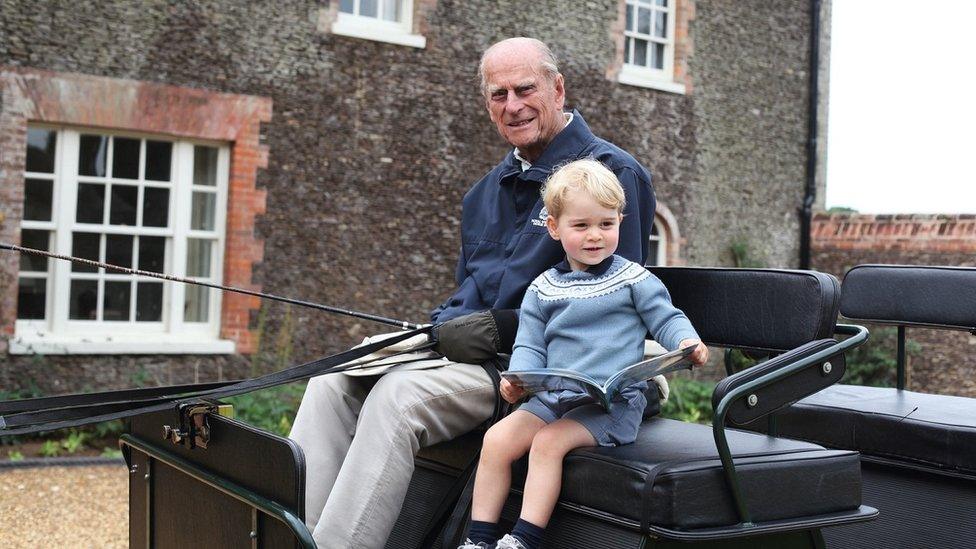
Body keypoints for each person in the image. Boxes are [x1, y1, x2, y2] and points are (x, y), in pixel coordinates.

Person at [289, 37, 657, 548]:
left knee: (398, 398)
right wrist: (431, 331)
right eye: (498, 94)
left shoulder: (613, 175)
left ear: (557, 88)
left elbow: (617, 302)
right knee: (335, 380)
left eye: (525, 89)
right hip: (469, 356)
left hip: (542, 375)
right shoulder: (483, 194)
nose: (513, 105)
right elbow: (469, 293)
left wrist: (495, 330)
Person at [460, 160, 708, 549]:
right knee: (496, 439)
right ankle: (479, 539)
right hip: (554, 397)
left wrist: (687, 343)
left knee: (548, 444)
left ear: (619, 223)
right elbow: (529, 343)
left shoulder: (633, 279)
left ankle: (523, 540)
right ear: (555, 228)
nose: (595, 236)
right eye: (581, 226)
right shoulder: (543, 287)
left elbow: (667, 319)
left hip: (611, 405)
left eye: (606, 224)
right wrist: (518, 380)